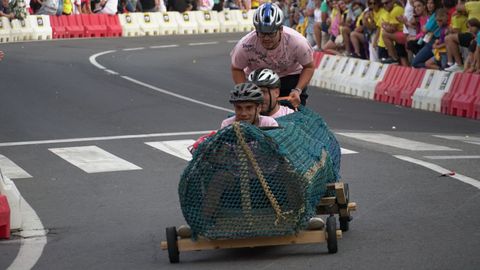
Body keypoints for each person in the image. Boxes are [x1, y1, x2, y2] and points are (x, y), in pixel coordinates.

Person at [230, 2, 315, 109]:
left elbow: (309, 67)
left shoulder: (297, 42)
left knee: (293, 117)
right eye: (262, 33)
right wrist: (245, 91)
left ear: (280, 29)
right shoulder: (245, 45)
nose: (266, 38)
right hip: (259, 80)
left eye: (270, 34)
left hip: (290, 78)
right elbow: (236, 68)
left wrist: (298, 90)